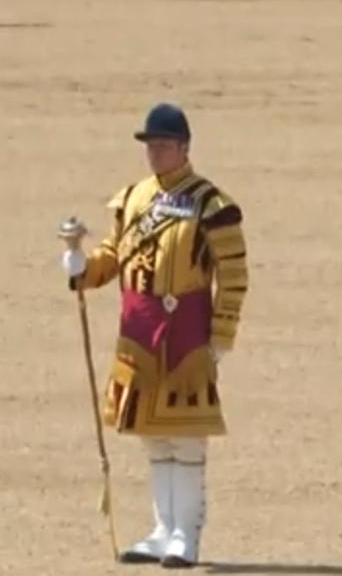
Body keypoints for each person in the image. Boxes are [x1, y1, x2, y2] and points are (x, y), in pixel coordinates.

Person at [59, 102, 249, 566]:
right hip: (139, 331)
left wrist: (221, 333)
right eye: (151, 145)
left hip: (185, 331)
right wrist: (82, 268)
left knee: (185, 438)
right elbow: (112, 255)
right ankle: (163, 530)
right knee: (153, 437)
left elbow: (234, 274)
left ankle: (187, 532)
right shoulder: (132, 199)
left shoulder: (211, 204)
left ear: (184, 147)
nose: (156, 153)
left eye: (164, 145)